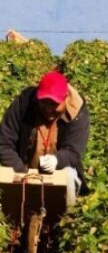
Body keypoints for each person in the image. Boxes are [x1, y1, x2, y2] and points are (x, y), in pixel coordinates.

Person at [0, 72, 89, 206]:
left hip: (58, 171)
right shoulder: (24, 104)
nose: (48, 109)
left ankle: (65, 221)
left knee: (69, 176)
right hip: (24, 168)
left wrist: (57, 160)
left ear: (65, 99)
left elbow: (74, 151)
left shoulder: (77, 112)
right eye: (44, 103)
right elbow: (4, 143)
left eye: (54, 104)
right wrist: (22, 171)